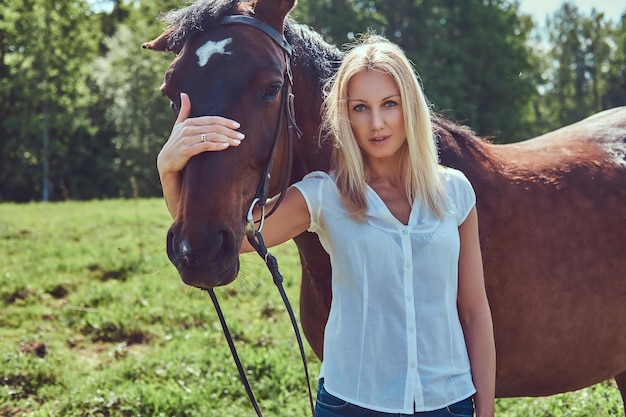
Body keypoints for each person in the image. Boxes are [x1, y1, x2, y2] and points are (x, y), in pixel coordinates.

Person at [158, 34, 496, 417]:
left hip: (447, 404)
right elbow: (228, 238)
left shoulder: (456, 192)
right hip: (353, 403)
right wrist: (169, 170)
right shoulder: (324, 196)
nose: (376, 122)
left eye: (389, 104)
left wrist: (484, 408)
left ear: (411, 108)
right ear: (344, 114)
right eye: (360, 107)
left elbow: (473, 311)